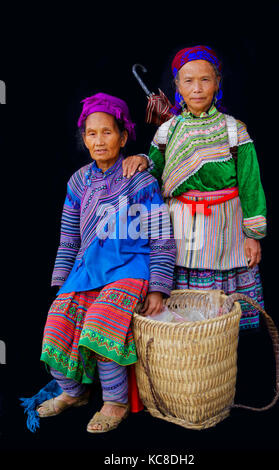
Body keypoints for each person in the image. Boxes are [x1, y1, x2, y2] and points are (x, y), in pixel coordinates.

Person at [35, 92, 176, 433]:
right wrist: (62, 284)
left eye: (107, 132)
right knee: (56, 326)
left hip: (130, 269)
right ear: (84, 138)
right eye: (91, 134)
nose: (99, 141)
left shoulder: (141, 180)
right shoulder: (79, 181)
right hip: (87, 272)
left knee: (101, 327)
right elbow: (68, 239)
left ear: (123, 136)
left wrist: (158, 289)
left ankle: (115, 402)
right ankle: (74, 393)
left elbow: (161, 238)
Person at [123, 45, 266, 330]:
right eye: (188, 81)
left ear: (217, 83)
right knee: (183, 315)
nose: (197, 88)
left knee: (220, 321)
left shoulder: (233, 130)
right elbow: (154, 170)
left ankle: (216, 358)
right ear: (177, 85)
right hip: (182, 228)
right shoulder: (168, 130)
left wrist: (253, 235)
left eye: (205, 79)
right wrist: (141, 158)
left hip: (225, 228)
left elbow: (251, 184)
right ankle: (187, 363)